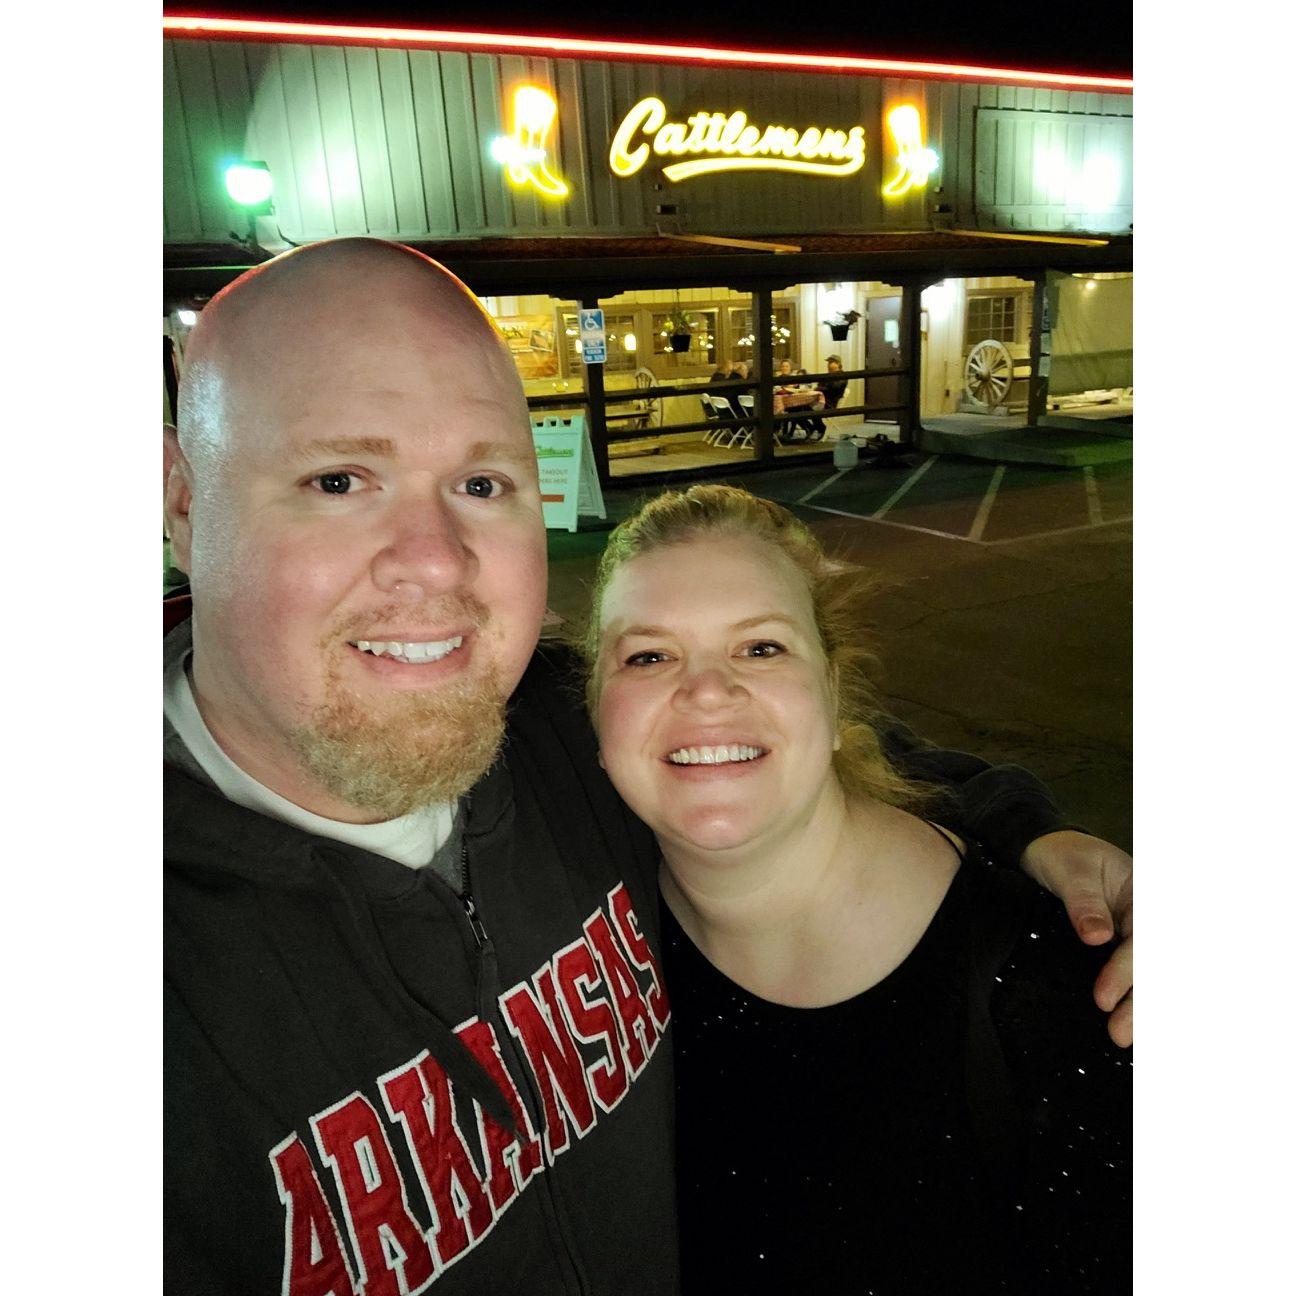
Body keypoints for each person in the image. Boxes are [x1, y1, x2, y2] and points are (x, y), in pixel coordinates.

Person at [164, 237, 1132, 1293]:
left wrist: (1030, 829)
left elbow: (781, 749)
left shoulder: (554, 727)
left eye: (483, 481)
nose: (435, 561)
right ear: (178, 499)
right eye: (340, 479)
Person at [580, 484, 1132, 1294]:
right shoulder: (590, 938)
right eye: (648, 655)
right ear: (591, 716)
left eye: (761, 647)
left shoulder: (1059, 976)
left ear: (836, 695)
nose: (705, 691)